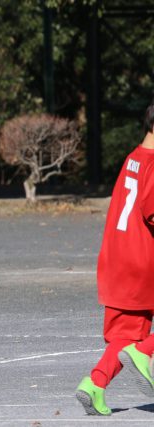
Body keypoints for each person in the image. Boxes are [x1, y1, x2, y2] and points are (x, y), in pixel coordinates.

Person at [76, 99, 154, 415]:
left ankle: (94, 385)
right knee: (137, 344)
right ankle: (145, 351)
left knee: (125, 335)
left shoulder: (133, 159)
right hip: (142, 260)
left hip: (118, 260)